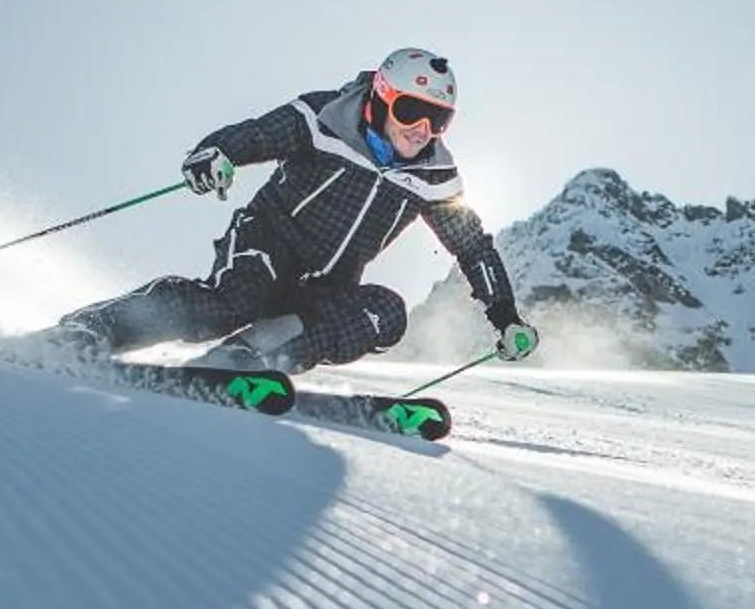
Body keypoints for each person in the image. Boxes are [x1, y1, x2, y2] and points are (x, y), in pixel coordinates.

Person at [42, 48, 540, 375]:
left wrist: (505, 315)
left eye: (439, 119)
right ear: (382, 98)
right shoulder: (324, 118)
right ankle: (97, 327)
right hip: (268, 241)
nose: (421, 129)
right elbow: (259, 134)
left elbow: (473, 248)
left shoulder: (435, 179)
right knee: (231, 302)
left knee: (386, 313)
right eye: (412, 111)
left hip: (327, 284)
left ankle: (248, 358)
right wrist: (216, 153)